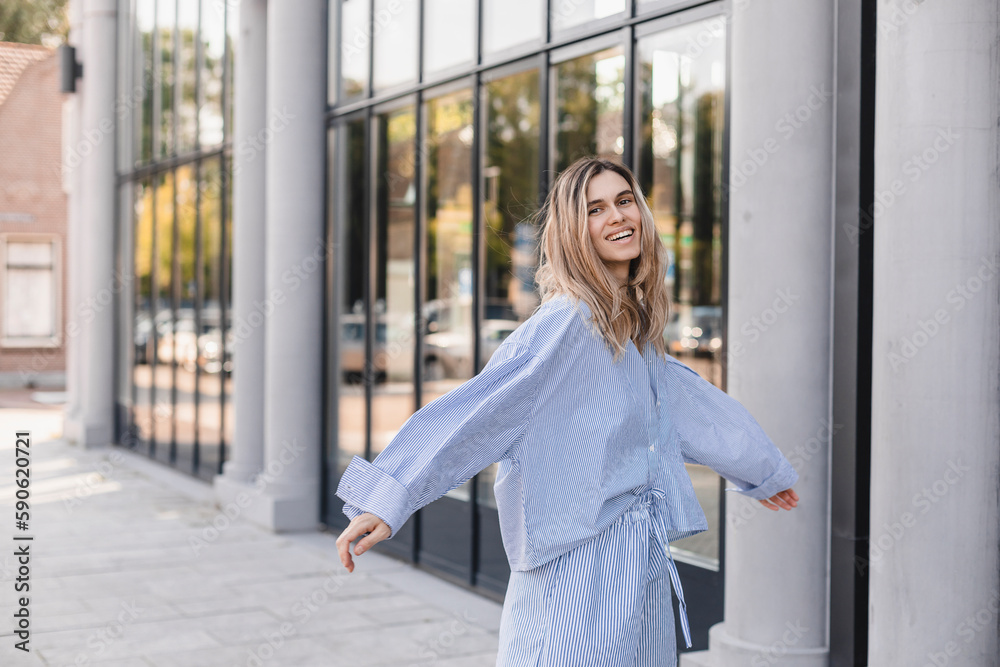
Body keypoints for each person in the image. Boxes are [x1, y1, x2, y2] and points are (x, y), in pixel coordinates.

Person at [335, 156, 800, 666]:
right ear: (575, 231)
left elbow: (689, 406)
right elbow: (480, 411)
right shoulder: (567, 323)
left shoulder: (633, 326)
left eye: (624, 201)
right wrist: (387, 496)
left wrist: (763, 471)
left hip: (637, 567)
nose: (617, 216)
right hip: (573, 575)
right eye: (595, 208)